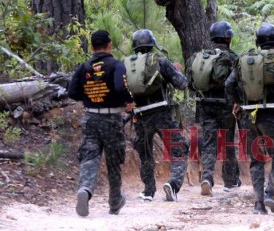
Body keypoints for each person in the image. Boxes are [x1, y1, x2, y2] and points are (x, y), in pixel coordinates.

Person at [225, 23, 274, 215]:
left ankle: (258, 204)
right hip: (272, 116)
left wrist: (235, 103)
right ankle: (271, 194)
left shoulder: (244, 59)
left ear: (258, 42)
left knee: (256, 160)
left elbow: (229, 84)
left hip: (247, 117)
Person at [68, 30, 135, 217]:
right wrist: (129, 101)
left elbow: (72, 92)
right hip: (112, 119)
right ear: (110, 45)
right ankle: (115, 202)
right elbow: (121, 87)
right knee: (114, 161)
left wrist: (91, 96)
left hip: (90, 118)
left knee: (90, 157)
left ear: (91, 47)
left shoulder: (84, 67)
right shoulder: (116, 65)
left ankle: (85, 189)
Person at [125, 29, 189, 202]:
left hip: (139, 116)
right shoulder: (160, 61)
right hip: (162, 113)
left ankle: (148, 191)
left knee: (145, 154)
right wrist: (177, 71)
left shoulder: (127, 65)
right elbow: (182, 84)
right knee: (179, 150)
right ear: (152, 44)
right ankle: (173, 184)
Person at [187, 21, 241, 196]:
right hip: (226, 105)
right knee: (227, 141)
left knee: (209, 142)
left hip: (205, 105)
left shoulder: (200, 57)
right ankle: (230, 181)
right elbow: (237, 83)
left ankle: (207, 178)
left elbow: (190, 84)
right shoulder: (232, 57)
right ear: (227, 38)